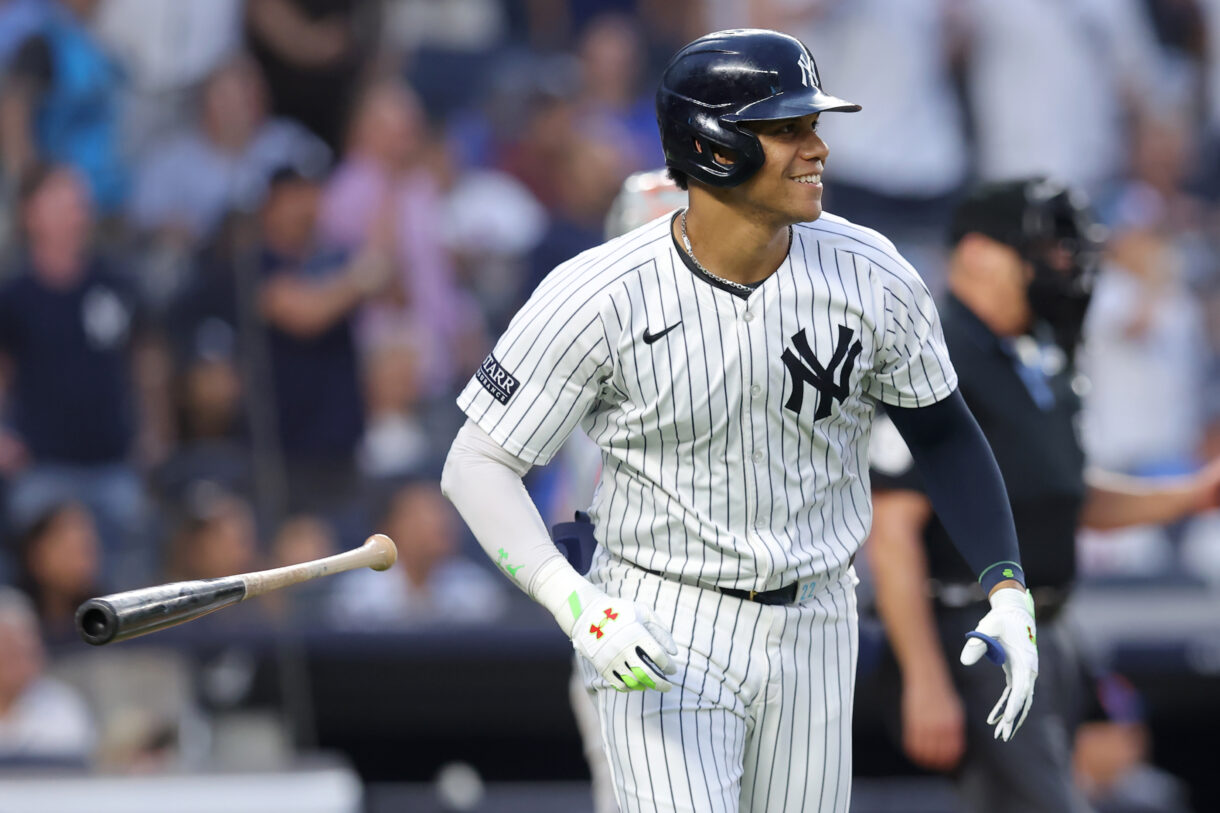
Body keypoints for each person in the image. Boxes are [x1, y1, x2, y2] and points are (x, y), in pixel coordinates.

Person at [442, 29, 1040, 812]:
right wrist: (572, 599)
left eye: (813, 126)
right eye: (788, 129)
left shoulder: (872, 270)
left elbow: (944, 432)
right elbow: (475, 463)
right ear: (713, 144)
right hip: (664, 622)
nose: (817, 148)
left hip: (820, 620)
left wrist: (1007, 585)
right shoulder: (596, 290)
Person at [865, 178, 1220, 813]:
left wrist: (1193, 495)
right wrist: (922, 677)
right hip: (969, 629)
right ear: (977, 253)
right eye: (1044, 251)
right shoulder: (932, 354)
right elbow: (893, 531)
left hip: (1049, 626)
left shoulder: (1037, 353)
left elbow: (1065, 498)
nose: (1062, 268)